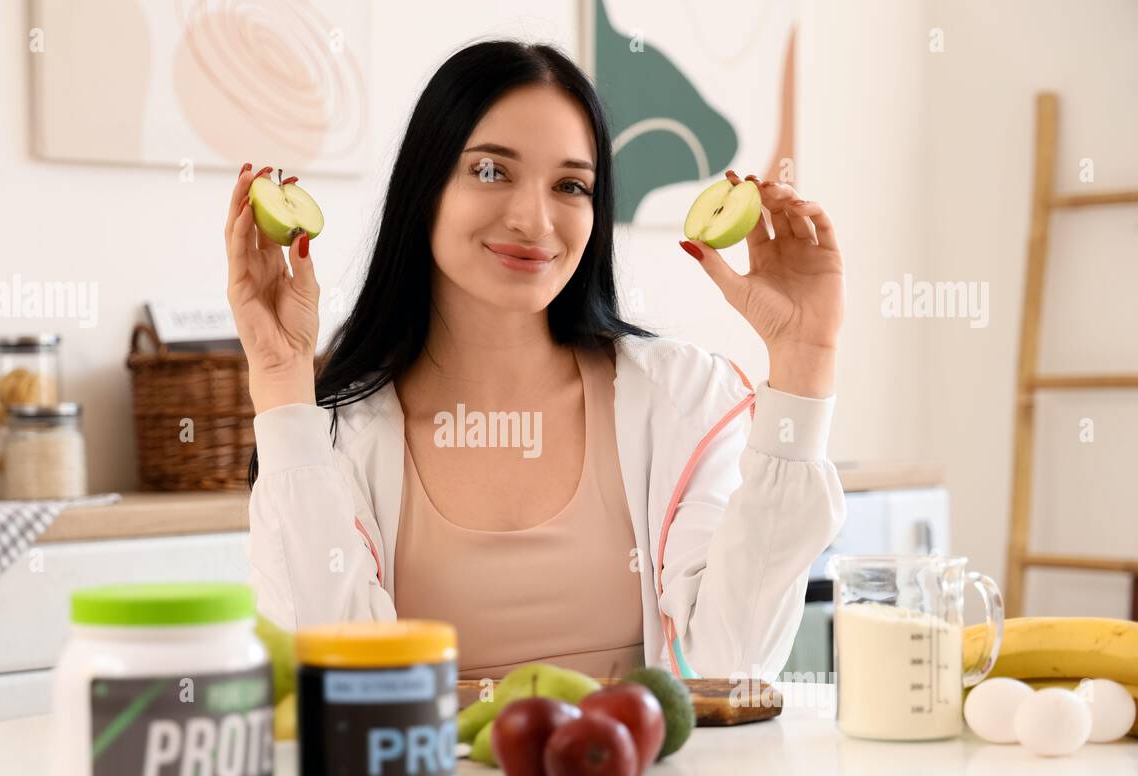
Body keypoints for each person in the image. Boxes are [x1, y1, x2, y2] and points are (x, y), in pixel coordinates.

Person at [223, 41, 846, 682]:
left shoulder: (682, 402)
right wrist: (280, 377)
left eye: (571, 185)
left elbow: (733, 671)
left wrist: (803, 363)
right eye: (491, 171)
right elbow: (332, 685)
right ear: (425, 187)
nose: (534, 219)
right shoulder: (333, 437)